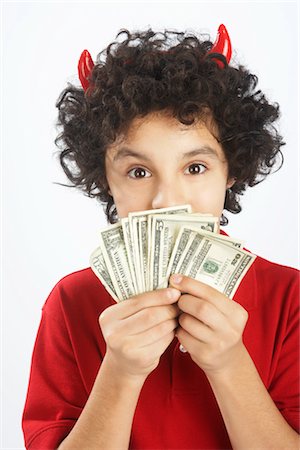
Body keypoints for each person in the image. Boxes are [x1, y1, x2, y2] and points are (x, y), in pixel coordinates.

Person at [22, 25, 299, 449]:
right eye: (138, 171)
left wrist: (228, 365)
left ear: (232, 170)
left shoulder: (290, 297)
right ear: (105, 180)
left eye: (194, 168)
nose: (166, 199)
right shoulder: (70, 302)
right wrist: (121, 371)